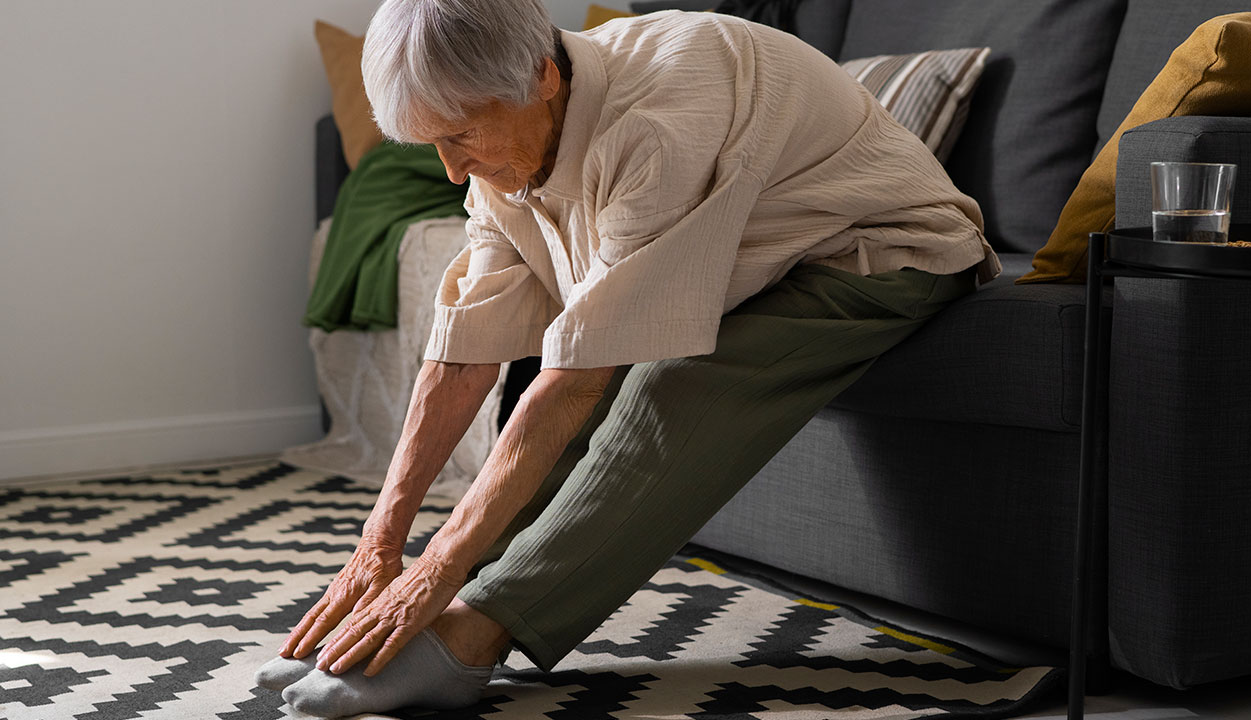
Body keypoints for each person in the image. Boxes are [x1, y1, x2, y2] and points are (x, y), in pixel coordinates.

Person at [257, 0, 1002, 716]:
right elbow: (460, 355)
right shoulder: (504, 152)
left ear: (542, 76)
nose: (454, 172)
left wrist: (433, 568)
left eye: (461, 137)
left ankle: (469, 638)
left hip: (882, 253)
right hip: (763, 262)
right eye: (434, 146)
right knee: (545, 406)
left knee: (661, 388)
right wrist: (379, 547)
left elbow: (579, 379)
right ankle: (426, 614)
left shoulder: (656, 120)